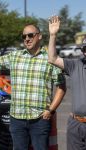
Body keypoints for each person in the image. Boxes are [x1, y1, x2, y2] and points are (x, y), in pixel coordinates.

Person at [0, 21, 66, 150]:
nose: (27, 39)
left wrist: (51, 110)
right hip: (17, 118)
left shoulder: (50, 59)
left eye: (30, 35)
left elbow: (61, 87)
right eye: (24, 36)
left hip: (40, 119)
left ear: (39, 36)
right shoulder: (15, 56)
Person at [48, 16, 86, 150]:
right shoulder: (76, 65)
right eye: (84, 49)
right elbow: (52, 58)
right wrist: (53, 35)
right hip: (76, 124)